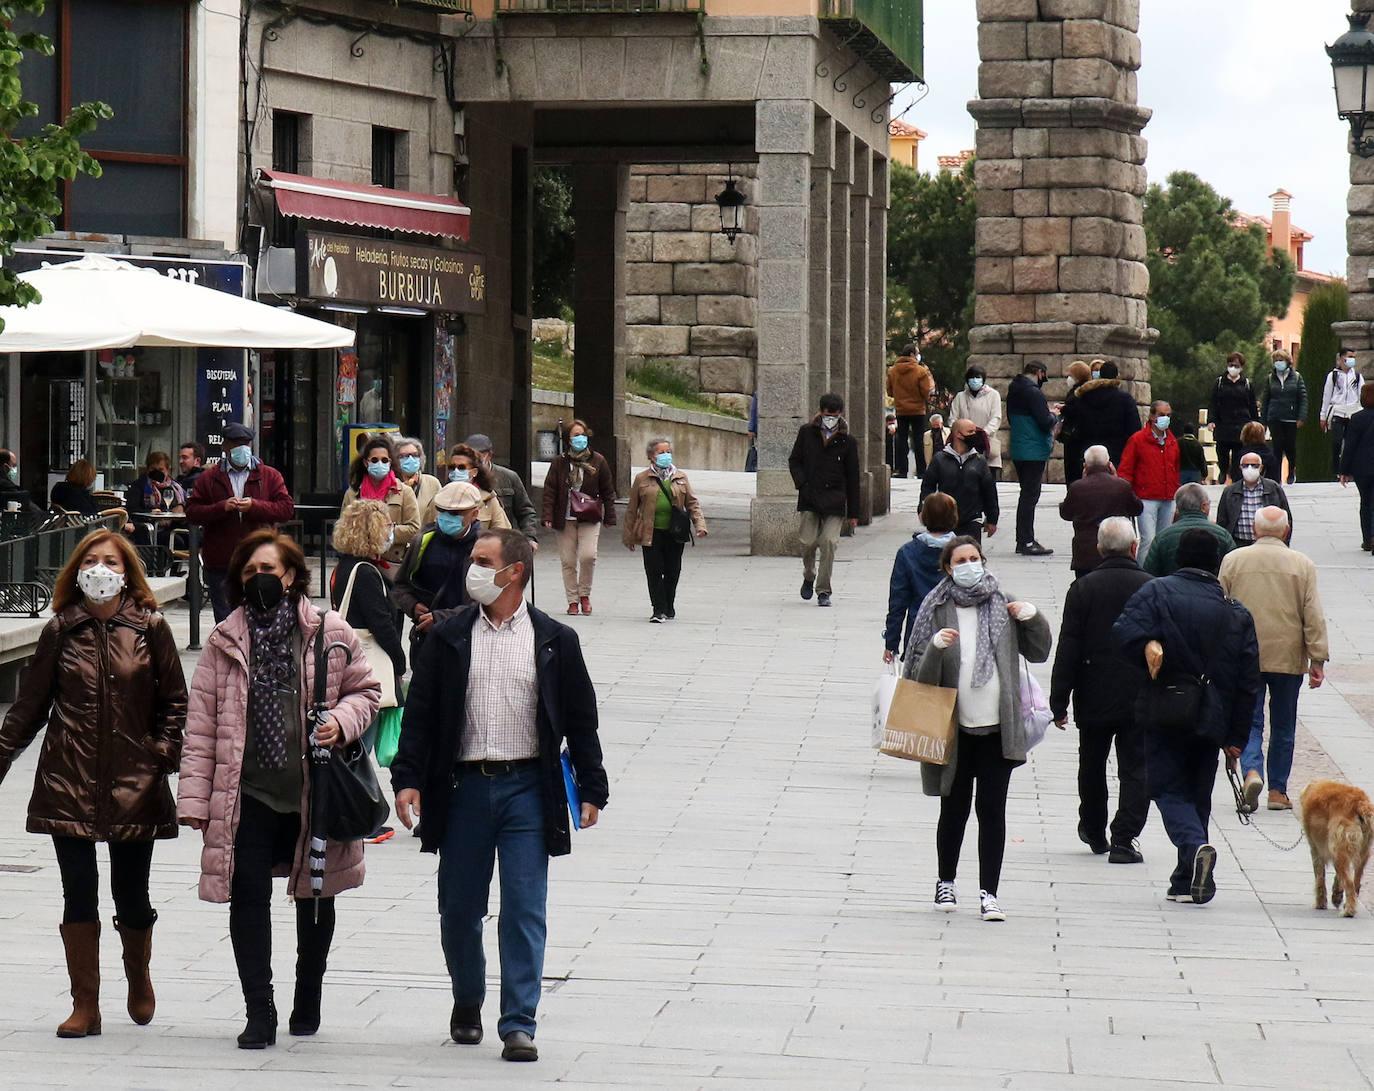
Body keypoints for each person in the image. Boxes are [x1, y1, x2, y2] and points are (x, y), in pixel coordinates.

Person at [391, 529, 609, 1063]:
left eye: (483, 561)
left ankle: (519, 1021)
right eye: (473, 560)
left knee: (524, 908)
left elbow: (581, 719)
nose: (473, 569)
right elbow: (419, 716)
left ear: (514, 572)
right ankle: (468, 999)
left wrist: (592, 786)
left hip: (528, 791)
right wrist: (408, 778)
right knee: (459, 910)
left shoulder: (555, 639)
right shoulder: (448, 635)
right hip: (463, 789)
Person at [178, 529, 380, 1049]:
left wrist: (342, 719)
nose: (260, 579)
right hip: (249, 793)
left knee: (317, 894)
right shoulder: (225, 639)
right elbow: (201, 727)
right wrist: (196, 801)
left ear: (292, 575)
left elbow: (367, 690)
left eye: (269, 570)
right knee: (246, 893)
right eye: (249, 573)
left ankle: (307, 992)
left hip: (317, 791)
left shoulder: (330, 631)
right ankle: (259, 1008)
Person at [0, 529, 186, 1038]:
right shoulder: (61, 629)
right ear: (77, 571)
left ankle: (138, 973)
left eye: (110, 561)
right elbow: (29, 706)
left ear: (126, 572)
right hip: (70, 777)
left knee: (131, 893)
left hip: (135, 780)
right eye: (91, 561)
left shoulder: (150, 627)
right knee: (78, 890)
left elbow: (175, 700)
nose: (100, 570)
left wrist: (162, 754)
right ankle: (86, 1004)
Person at [906, 536, 1052, 922]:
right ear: (948, 568)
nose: (970, 564)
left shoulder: (1002, 602)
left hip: (997, 728)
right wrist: (936, 648)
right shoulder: (935, 609)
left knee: (992, 810)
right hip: (953, 728)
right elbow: (918, 678)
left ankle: (990, 893)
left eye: (975, 558)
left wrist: (1032, 616)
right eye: (961, 560)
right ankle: (946, 882)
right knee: (952, 808)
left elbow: (1038, 651)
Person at [1113, 530, 1260, 905]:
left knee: (1165, 787)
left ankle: (1194, 846)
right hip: (1213, 715)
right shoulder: (1236, 610)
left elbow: (1123, 633)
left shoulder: (1157, 592)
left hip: (1165, 706)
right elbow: (1248, 681)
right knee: (1198, 792)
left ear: (1179, 558)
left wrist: (1148, 646)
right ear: (1216, 564)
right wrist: (1237, 738)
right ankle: (1187, 879)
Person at [1049, 517, 1152, 863]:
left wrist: (1058, 699)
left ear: (1099, 549)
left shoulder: (1083, 588)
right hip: (1140, 690)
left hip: (1094, 690)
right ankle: (1125, 836)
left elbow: (1069, 645)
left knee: (1091, 762)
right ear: (1135, 547)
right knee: (1136, 766)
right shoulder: (1151, 586)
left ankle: (1093, 827)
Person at [1219, 507, 1328, 814]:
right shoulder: (1301, 564)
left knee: (1249, 721)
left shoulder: (1233, 560)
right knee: (1283, 724)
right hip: (1287, 654)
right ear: (1286, 530)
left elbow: (1221, 608)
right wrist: (1317, 658)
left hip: (1246, 656)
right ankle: (1278, 790)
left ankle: (1252, 772)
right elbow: (1312, 613)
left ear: (1254, 531)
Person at [185, 423, 295, 624]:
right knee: (227, 622)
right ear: (224, 447)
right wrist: (221, 508)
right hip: (222, 563)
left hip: (260, 560)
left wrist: (255, 506)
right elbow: (192, 512)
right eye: (236, 444)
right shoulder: (209, 478)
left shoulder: (269, 475)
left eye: (245, 443)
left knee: (262, 617)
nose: (241, 448)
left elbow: (286, 509)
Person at [329, 499, 406, 707]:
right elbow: (381, 625)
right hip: (367, 667)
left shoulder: (344, 567)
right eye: (389, 526)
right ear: (374, 531)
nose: (392, 532)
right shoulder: (365, 572)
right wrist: (399, 663)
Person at [788, 392, 861, 607]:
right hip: (810, 496)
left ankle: (823, 589)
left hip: (835, 499)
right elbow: (795, 461)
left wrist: (854, 512)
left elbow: (853, 477)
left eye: (835, 415)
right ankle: (809, 575)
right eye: (828, 414)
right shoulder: (806, 433)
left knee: (829, 542)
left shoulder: (847, 441)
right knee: (807, 542)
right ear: (821, 412)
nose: (831, 419)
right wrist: (802, 484)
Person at [623, 436, 706, 622]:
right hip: (650, 532)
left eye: (668, 452)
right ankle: (658, 608)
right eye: (661, 453)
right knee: (653, 571)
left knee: (672, 570)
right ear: (652, 456)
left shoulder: (680, 477)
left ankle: (669, 604)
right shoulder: (642, 478)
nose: (666, 456)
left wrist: (700, 525)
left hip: (675, 532)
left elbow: (692, 503)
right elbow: (631, 508)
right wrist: (629, 536)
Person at [392, 482, 486, 646]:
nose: (447, 516)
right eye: (442, 510)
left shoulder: (486, 547)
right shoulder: (423, 541)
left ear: (475, 514)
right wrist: (412, 605)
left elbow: (489, 602)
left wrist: (441, 618)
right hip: (428, 640)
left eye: (455, 513)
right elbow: (400, 586)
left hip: (470, 639)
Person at [540, 419, 617, 616]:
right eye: (575, 435)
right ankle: (573, 600)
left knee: (588, 556)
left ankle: (585, 594)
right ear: (568, 439)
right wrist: (547, 515)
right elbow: (550, 490)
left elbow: (608, 490)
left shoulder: (598, 461)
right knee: (568, 560)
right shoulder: (559, 462)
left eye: (582, 435)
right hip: (564, 517)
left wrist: (610, 515)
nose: (580, 439)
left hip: (589, 516)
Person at [882, 492, 958, 664]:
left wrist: (891, 643)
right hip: (956, 630)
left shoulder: (907, 553)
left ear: (923, 517)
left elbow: (898, 602)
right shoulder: (964, 551)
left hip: (918, 632)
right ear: (954, 518)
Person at [1057, 445, 1142, 579]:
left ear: (1085, 466)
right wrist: (1117, 478)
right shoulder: (1121, 486)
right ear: (1109, 464)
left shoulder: (1077, 487)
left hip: (1085, 552)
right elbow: (1137, 508)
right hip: (1117, 551)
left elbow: (1066, 513)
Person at [342, 433, 420, 568]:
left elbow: (414, 528)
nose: (380, 464)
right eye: (374, 460)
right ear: (366, 463)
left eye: (384, 460)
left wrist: (386, 533)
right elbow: (344, 529)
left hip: (393, 561)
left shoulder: (404, 492)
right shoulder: (353, 493)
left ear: (390, 462)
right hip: (360, 560)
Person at [1006, 361, 1057, 556]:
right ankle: (1026, 540)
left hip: (1019, 447)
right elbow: (1044, 422)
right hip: (1033, 449)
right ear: (1039, 372)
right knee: (1030, 496)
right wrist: (1054, 415)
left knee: (1026, 494)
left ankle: (1024, 539)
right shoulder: (1033, 392)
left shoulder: (1014, 390)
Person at [1117, 400, 1179, 559]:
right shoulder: (1137, 440)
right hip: (1146, 498)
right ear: (1152, 416)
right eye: (1161, 415)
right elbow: (1125, 470)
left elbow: (1176, 468)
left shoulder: (1172, 442)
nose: (1165, 418)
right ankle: (1143, 572)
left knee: (1164, 540)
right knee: (1148, 539)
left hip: (1168, 496)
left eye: (1168, 415)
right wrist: (1126, 495)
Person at [920, 419, 999, 542]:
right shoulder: (939, 459)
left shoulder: (979, 461)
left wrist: (992, 519)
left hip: (972, 520)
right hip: (945, 520)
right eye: (970, 431)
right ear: (958, 434)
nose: (974, 435)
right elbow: (927, 486)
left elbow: (989, 492)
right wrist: (923, 509)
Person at [465, 433, 540, 551]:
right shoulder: (461, 477)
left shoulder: (508, 477)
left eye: (478, 455)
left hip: (501, 543)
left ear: (489, 455)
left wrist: (529, 537)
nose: (474, 460)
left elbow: (525, 511)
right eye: (469, 456)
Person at [1142, 483, 1235, 577]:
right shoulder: (1223, 535)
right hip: (1213, 589)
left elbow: (1149, 573)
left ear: (1177, 509)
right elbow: (1233, 568)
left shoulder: (1162, 537)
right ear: (1203, 507)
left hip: (1170, 589)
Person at [1061, 360, 1140, 467]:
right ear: (1117, 376)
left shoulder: (1084, 396)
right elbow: (1134, 428)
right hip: (1117, 451)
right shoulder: (1125, 399)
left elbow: (1078, 421)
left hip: (1089, 450)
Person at [1215, 452, 1292, 546]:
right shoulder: (1230, 491)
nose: (1250, 468)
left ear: (1261, 468)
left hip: (1268, 544)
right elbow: (1222, 522)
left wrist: (1284, 544)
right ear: (1240, 468)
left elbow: (1287, 518)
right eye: (1245, 465)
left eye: (1254, 465)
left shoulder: (1273, 488)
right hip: (1238, 544)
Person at [886, 344, 935, 479]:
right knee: (918, 440)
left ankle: (902, 470)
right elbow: (926, 391)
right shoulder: (920, 371)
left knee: (902, 441)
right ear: (913, 354)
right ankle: (921, 471)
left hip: (901, 410)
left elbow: (889, 391)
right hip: (918, 410)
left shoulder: (893, 371)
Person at [1209, 353, 1258, 483]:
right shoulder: (1220, 382)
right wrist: (1211, 420)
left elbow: (1252, 404)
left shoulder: (1246, 384)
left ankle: (1236, 477)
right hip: (1223, 423)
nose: (1233, 368)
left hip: (1241, 424)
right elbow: (1213, 402)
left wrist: (1255, 422)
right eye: (1231, 365)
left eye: (1236, 365)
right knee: (1222, 451)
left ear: (1241, 367)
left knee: (1239, 453)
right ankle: (1223, 470)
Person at [1261, 349, 1307, 484]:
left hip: (1291, 417)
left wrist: (1301, 417)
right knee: (1277, 447)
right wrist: (1263, 420)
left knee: (1290, 446)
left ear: (1287, 361)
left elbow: (1303, 398)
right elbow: (1265, 400)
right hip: (1274, 417)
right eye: (1276, 360)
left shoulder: (1297, 377)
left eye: (1281, 360)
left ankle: (1291, 471)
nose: (1278, 363)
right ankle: (1276, 476)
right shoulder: (1270, 378)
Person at [949, 364, 1003, 479]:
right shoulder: (960, 397)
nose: (975, 380)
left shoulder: (993, 395)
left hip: (986, 442)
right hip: (964, 443)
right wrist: (961, 433)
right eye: (972, 377)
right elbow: (953, 418)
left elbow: (996, 418)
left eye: (978, 377)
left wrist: (983, 433)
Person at [443, 444, 512, 531]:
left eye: (461, 468)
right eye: (452, 467)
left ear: (474, 472)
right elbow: (427, 530)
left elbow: (503, 533)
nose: (456, 471)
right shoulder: (441, 497)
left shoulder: (488, 499)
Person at [1338, 382, 1374, 549]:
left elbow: (1350, 446)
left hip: (1363, 468)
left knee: (1366, 502)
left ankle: (1368, 538)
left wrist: (1344, 470)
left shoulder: (1357, 418)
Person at [125, 451, 186, 545]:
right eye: (153, 469)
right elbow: (132, 509)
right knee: (177, 541)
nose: (156, 473)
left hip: (174, 526)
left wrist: (182, 506)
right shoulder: (140, 485)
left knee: (194, 538)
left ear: (168, 470)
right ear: (148, 469)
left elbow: (188, 503)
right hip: (150, 529)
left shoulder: (176, 487)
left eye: (160, 470)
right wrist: (150, 513)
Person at [1321, 350, 1363, 479]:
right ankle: (1336, 470)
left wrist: (1361, 411)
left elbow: (1362, 394)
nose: (1352, 360)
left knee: (1351, 443)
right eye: (1350, 357)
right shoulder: (1333, 376)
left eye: (1353, 357)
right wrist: (1323, 416)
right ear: (1342, 358)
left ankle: (1350, 470)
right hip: (1337, 412)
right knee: (1336, 442)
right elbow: (1326, 396)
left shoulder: (1357, 376)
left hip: (1353, 412)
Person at [1056, 360, 1094, 484]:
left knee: (1073, 469)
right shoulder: (1084, 389)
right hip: (1077, 436)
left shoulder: (1082, 391)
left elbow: (1078, 410)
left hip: (1076, 437)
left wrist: (1064, 409)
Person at [395, 436, 442, 524]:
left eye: (415, 455)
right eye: (404, 456)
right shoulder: (391, 485)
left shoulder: (432, 483)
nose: (410, 459)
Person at [0, 447, 45, 516]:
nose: (15, 469)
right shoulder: (5, 485)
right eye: (14, 466)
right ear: (5, 467)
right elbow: (30, 508)